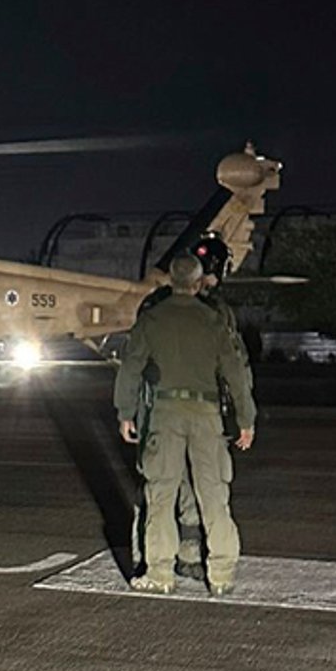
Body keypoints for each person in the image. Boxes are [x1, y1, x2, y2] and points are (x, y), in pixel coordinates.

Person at [116, 254, 257, 596]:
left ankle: (160, 573)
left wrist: (126, 412)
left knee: (161, 494)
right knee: (214, 494)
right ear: (197, 283)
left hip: (165, 412)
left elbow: (131, 367)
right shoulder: (214, 321)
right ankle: (222, 574)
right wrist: (245, 420)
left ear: (170, 282)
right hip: (206, 413)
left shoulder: (151, 319)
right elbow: (236, 373)